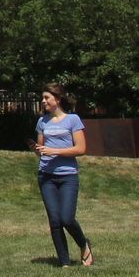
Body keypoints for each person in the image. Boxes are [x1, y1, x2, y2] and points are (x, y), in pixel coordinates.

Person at [35, 83, 93, 267]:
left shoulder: (73, 120)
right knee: (54, 220)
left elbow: (81, 149)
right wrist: (38, 149)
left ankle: (84, 245)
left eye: (47, 98)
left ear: (57, 99)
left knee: (66, 218)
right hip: (46, 176)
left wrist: (54, 151)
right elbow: (41, 149)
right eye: (43, 98)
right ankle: (64, 263)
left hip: (68, 176)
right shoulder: (42, 122)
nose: (43, 101)